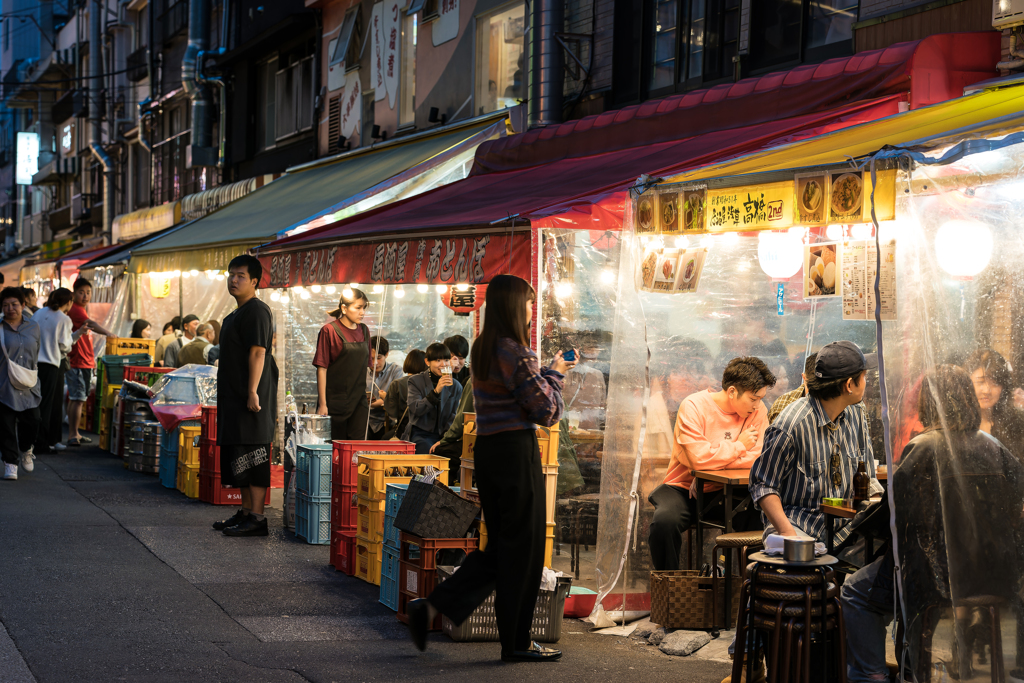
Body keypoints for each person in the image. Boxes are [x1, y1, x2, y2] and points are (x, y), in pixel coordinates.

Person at [408, 274, 575, 662]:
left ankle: (439, 609)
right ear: (516, 306)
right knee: (525, 551)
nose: (533, 310)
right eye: (530, 303)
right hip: (516, 454)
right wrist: (557, 372)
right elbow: (547, 410)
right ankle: (514, 642)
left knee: (501, 547)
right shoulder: (516, 352)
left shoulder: (484, 348)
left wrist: (545, 370)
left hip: (489, 451)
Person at [840, 365, 1024, 683]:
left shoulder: (924, 447)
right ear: (968, 398)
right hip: (993, 575)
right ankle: (912, 667)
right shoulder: (994, 446)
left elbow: (891, 511)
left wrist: (859, 522)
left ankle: (871, 675)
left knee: (855, 589)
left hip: (935, 574)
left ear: (928, 402)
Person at [648, 356, 776, 571]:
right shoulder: (694, 406)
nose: (757, 405)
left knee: (762, 520)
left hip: (732, 492)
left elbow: (760, 458)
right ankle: (670, 588)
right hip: (684, 489)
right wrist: (739, 445)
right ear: (733, 391)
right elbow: (697, 460)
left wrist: (713, 458)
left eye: (760, 399)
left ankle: (753, 589)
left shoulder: (758, 410)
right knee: (663, 524)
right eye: (753, 399)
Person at [750, 341, 883, 545]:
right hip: (800, 526)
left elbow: (869, 477)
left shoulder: (857, 412)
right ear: (849, 385)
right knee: (806, 563)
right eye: (863, 377)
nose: (867, 382)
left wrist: (884, 509)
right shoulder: (790, 425)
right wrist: (789, 535)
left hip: (847, 528)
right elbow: (763, 486)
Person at [213, 255, 278, 537]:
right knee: (239, 453)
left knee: (255, 453)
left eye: (240, 275)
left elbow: (258, 351)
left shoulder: (257, 311)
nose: (233, 280)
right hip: (235, 397)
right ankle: (245, 511)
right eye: (231, 275)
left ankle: (258, 518)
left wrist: (252, 390)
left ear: (254, 281)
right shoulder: (234, 315)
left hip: (252, 396)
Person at [313, 288, 373, 440]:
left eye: (364, 308)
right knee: (333, 451)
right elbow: (322, 369)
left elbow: (366, 368)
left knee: (356, 452)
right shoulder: (329, 331)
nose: (362, 312)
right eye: (358, 307)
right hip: (335, 402)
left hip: (359, 402)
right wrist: (322, 404)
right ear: (344, 308)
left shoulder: (364, 331)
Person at [66, 278, 115, 447]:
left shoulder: (80, 309)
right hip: (77, 361)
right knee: (78, 398)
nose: (85, 295)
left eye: (88, 292)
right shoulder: (76, 310)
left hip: (84, 360)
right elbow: (91, 324)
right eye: (81, 292)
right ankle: (73, 434)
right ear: (74, 293)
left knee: (77, 398)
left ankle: (75, 433)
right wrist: (109, 333)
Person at [0, 287, 41, 480]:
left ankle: (26, 449)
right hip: (4, 385)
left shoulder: (33, 327)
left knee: (33, 421)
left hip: (29, 384)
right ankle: (10, 463)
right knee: (6, 425)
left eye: (14, 304)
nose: (10, 308)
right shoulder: (0, 328)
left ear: (23, 305)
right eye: (6, 305)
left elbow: (36, 353)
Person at [32, 288, 77, 455]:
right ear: (69, 302)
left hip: (34, 364)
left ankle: (36, 439)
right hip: (51, 364)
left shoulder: (39, 313)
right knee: (48, 404)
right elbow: (65, 345)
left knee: (37, 402)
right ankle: (43, 443)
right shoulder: (64, 319)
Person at [964, 348, 1024, 464]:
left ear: (1004, 386)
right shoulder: (958, 424)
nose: (987, 390)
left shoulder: (1017, 422)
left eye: (995, 383)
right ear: (967, 382)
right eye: (980, 382)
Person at [407, 342, 463, 454]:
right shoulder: (415, 381)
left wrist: (445, 439)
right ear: (427, 362)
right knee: (428, 452)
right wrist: (436, 391)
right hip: (421, 434)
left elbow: (454, 415)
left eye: (446, 360)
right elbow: (416, 409)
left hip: (445, 435)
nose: (443, 364)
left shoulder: (455, 386)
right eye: (438, 361)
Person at [430, 376, 473, 479]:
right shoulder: (515, 375)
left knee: (440, 451)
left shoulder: (479, 377)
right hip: (514, 440)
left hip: (483, 441)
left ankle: (450, 492)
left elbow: (463, 418)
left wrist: (445, 440)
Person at [562, 339, 607, 430]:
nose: (593, 352)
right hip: (569, 425)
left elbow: (602, 403)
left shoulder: (597, 374)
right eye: (590, 348)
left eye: (596, 348)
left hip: (588, 427)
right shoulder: (567, 372)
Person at [382, 350, 426, 440]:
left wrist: (385, 398)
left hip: (403, 431)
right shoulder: (428, 384)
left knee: (385, 439)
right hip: (425, 432)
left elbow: (392, 413)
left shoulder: (397, 384)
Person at [366, 336, 404, 440]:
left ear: (386, 354)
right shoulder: (361, 370)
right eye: (371, 358)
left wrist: (372, 402)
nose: (375, 363)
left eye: (378, 358)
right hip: (365, 421)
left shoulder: (396, 370)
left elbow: (396, 399)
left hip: (387, 420)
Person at [766, 352, 817, 424]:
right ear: (804, 377)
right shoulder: (782, 404)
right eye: (778, 378)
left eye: (785, 377)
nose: (783, 382)